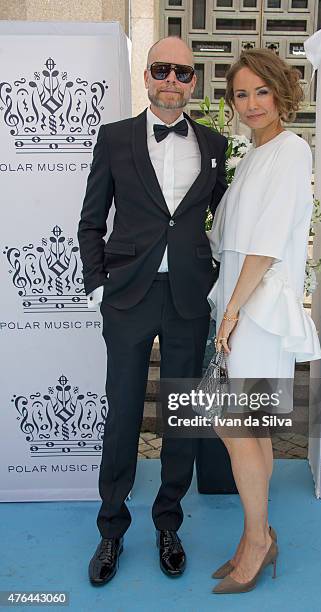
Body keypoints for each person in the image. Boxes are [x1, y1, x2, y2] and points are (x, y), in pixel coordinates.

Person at [78, 35, 228, 586]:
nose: (172, 80)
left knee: (181, 419)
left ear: (193, 82)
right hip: (128, 299)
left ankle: (169, 522)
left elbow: (226, 222)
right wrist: (99, 286)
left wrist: (223, 284)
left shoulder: (213, 145)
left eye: (182, 72)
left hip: (188, 299)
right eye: (161, 69)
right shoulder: (114, 139)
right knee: (121, 417)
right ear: (146, 76)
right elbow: (91, 220)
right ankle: (111, 531)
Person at [207, 48, 321, 594]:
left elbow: (266, 245)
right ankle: (258, 533)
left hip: (258, 310)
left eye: (261, 91)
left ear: (280, 92)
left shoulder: (292, 150)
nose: (251, 103)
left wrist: (230, 314)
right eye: (241, 94)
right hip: (240, 306)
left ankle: (257, 540)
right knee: (252, 432)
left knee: (237, 430)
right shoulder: (252, 155)